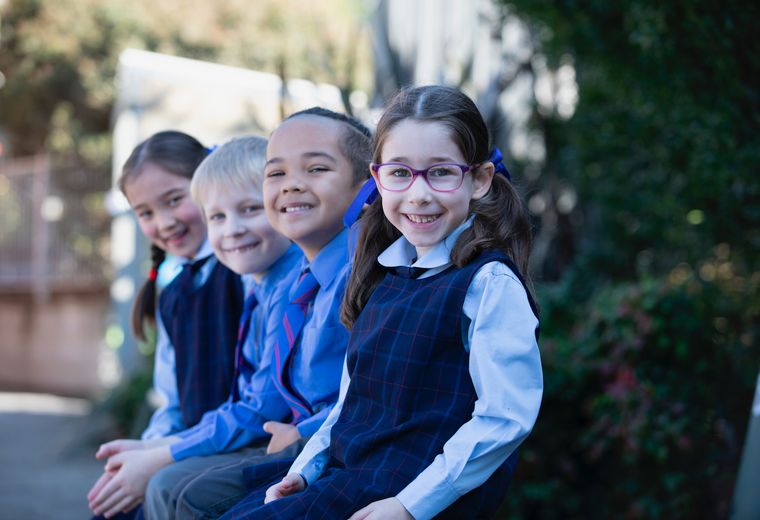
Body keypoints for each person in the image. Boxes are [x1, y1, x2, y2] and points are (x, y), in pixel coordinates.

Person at [223, 85, 544, 520]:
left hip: (410, 496)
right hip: (349, 477)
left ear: (479, 180)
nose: (418, 194)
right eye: (399, 173)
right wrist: (307, 466)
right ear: (377, 179)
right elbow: (351, 403)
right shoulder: (381, 274)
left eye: (441, 172)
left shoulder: (488, 283)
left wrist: (409, 507)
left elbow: (505, 420)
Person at [93, 109, 373, 520]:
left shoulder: (312, 278)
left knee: (174, 490)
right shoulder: (269, 286)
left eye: (249, 209)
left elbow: (273, 403)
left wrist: (162, 453)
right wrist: (156, 446)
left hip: (307, 443)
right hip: (266, 437)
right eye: (218, 217)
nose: (233, 229)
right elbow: (176, 397)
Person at [88, 130, 245, 518]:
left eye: (175, 200)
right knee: (112, 506)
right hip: (189, 441)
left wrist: (161, 458)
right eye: (145, 212)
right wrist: (144, 453)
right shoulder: (173, 288)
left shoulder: (244, 270)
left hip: (236, 444)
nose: (164, 222)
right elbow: (172, 398)